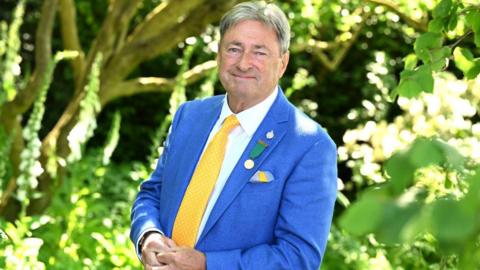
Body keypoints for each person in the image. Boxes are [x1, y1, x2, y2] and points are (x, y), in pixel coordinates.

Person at [130, 1, 337, 269]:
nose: (243, 63)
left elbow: (298, 258)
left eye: (259, 52)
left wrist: (207, 264)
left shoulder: (310, 145)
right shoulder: (190, 116)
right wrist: (148, 236)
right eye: (234, 49)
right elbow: (152, 194)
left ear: (282, 63)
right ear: (218, 54)